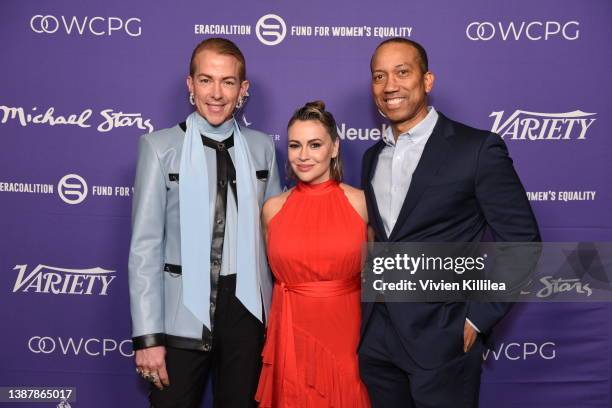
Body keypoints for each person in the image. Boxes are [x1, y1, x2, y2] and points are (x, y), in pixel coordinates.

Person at [359, 38, 540, 407]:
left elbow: (522, 241)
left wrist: (477, 318)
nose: (389, 85)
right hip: (378, 339)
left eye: (402, 72)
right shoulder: (371, 156)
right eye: (379, 76)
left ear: (427, 81)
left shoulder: (476, 149)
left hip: (443, 338)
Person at [128, 37, 281, 408]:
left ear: (243, 90)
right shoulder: (159, 147)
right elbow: (145, 246)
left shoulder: (263, 148)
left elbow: (277, 239)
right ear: (190, 84)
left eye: (228, 82)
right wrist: (148, 337)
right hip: (181, 313)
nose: (216, 93)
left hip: (247, 315)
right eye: (206, 80)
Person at [255, 101, 371, 407]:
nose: (303, 156)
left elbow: (380, 276)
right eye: (295, 145)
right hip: (289, 331)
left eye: (314, 144)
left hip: (346, 333)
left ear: (334, 148)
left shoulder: (362, 204)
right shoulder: (272, 209)